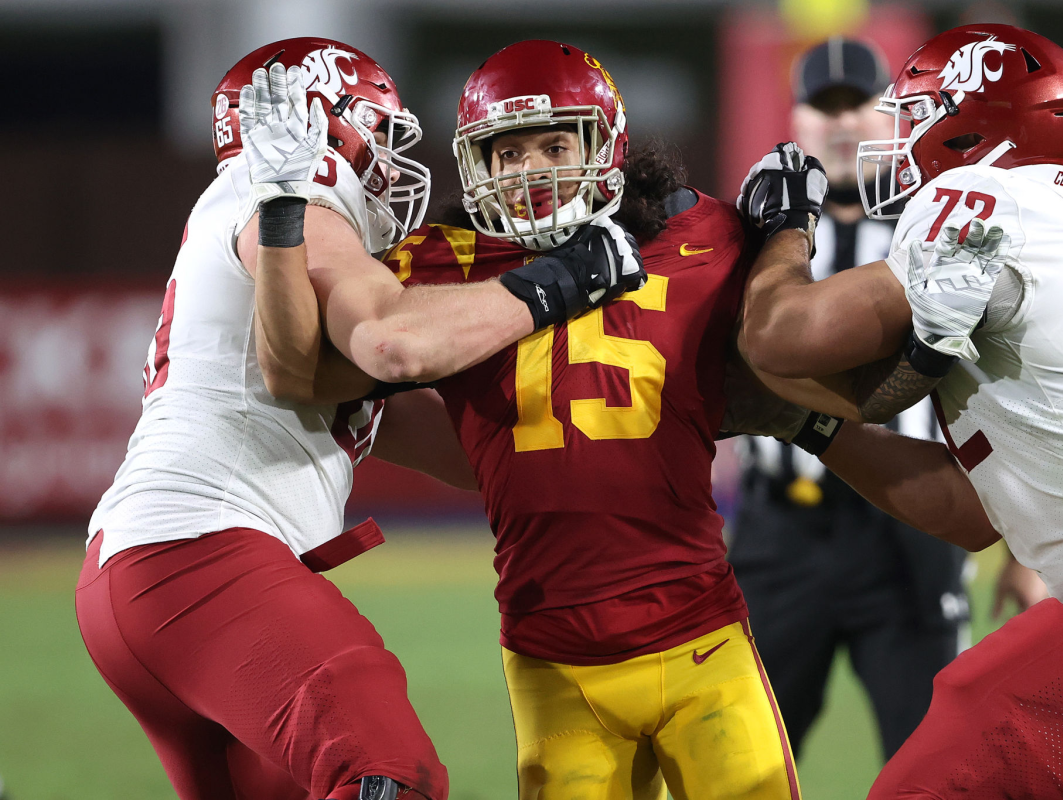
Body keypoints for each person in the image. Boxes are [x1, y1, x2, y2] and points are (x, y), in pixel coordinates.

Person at [258, 38, 848, 800]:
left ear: (605, 145)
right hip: (551, 661)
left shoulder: (702, 237)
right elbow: (302, 366)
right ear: (477, 164)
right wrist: (279, 215)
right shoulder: (438, 263)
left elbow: (799, 337)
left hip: (701, 636)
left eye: (553, 142)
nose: (531, 169)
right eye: (507, 151)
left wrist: (783, 236)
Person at [77, 37, 642, 800]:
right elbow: (392, 343)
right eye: (378, 131)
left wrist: (653, 423)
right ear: (324, 127)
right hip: (199, 555)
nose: (389, 161)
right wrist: (564, 281)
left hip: (138, 576)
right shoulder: (296, 194)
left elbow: (471, 449)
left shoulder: (264, 215)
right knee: (388, 773)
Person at [736, 23, 1063, 798]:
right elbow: (970, 511)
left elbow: (782, 336)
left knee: (933, 776)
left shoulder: (978, 197)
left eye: (918, 114)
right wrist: (810, 424)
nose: (903, 134)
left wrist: (782, 228)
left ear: (973, 125)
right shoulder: (1055, 220)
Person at [728, 37, 973, 762]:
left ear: (889, 116)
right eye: (822, 104)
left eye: (857, 103)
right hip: (783, 533)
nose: (841, 122)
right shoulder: (748, 236)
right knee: (745, 764)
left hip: (910, 523)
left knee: (937, 763)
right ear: (797, 119)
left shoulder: (938, 225)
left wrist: (1023, 546)